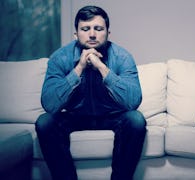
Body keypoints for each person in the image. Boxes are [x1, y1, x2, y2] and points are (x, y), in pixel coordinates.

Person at [35, 5, 146, 180]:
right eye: (85, 29)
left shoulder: (123, 57)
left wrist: (101, 67)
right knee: (44, 122)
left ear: (108, 33)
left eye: (98, 29)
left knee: (136, 119)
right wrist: (79, 68)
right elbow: (49, 104)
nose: (92, 34)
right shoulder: (60, 58)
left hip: (112, 116)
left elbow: (132, 102)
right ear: (76, 34)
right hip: (75, 117)